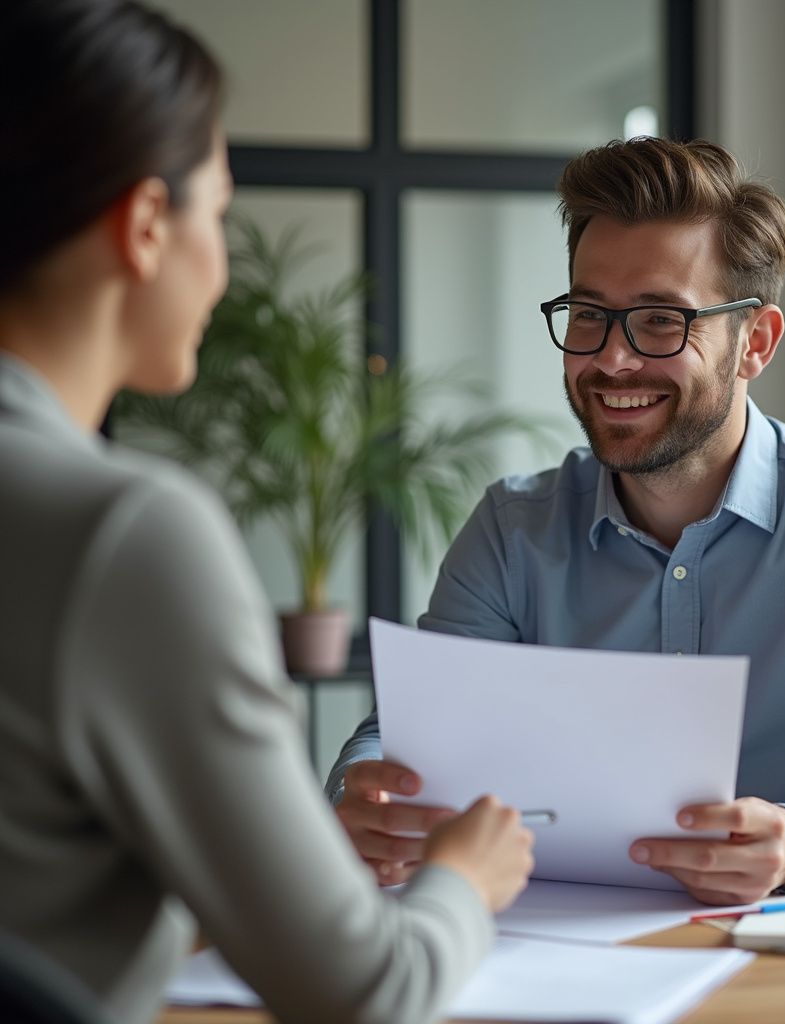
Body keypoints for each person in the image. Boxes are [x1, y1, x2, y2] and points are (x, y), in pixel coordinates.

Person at [0, 3, 534, 1023]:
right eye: (220, 216)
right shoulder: (123, 535)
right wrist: (464, 875)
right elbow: (367, 990)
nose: (226, 269)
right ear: (146, 226)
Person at [328, 136, 785, 907]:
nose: (611, 361)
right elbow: (405, 742)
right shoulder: (513, 530)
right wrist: (365, 795)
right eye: (589, 315)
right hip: (548, 951)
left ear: (755, 342)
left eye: (659, 321)